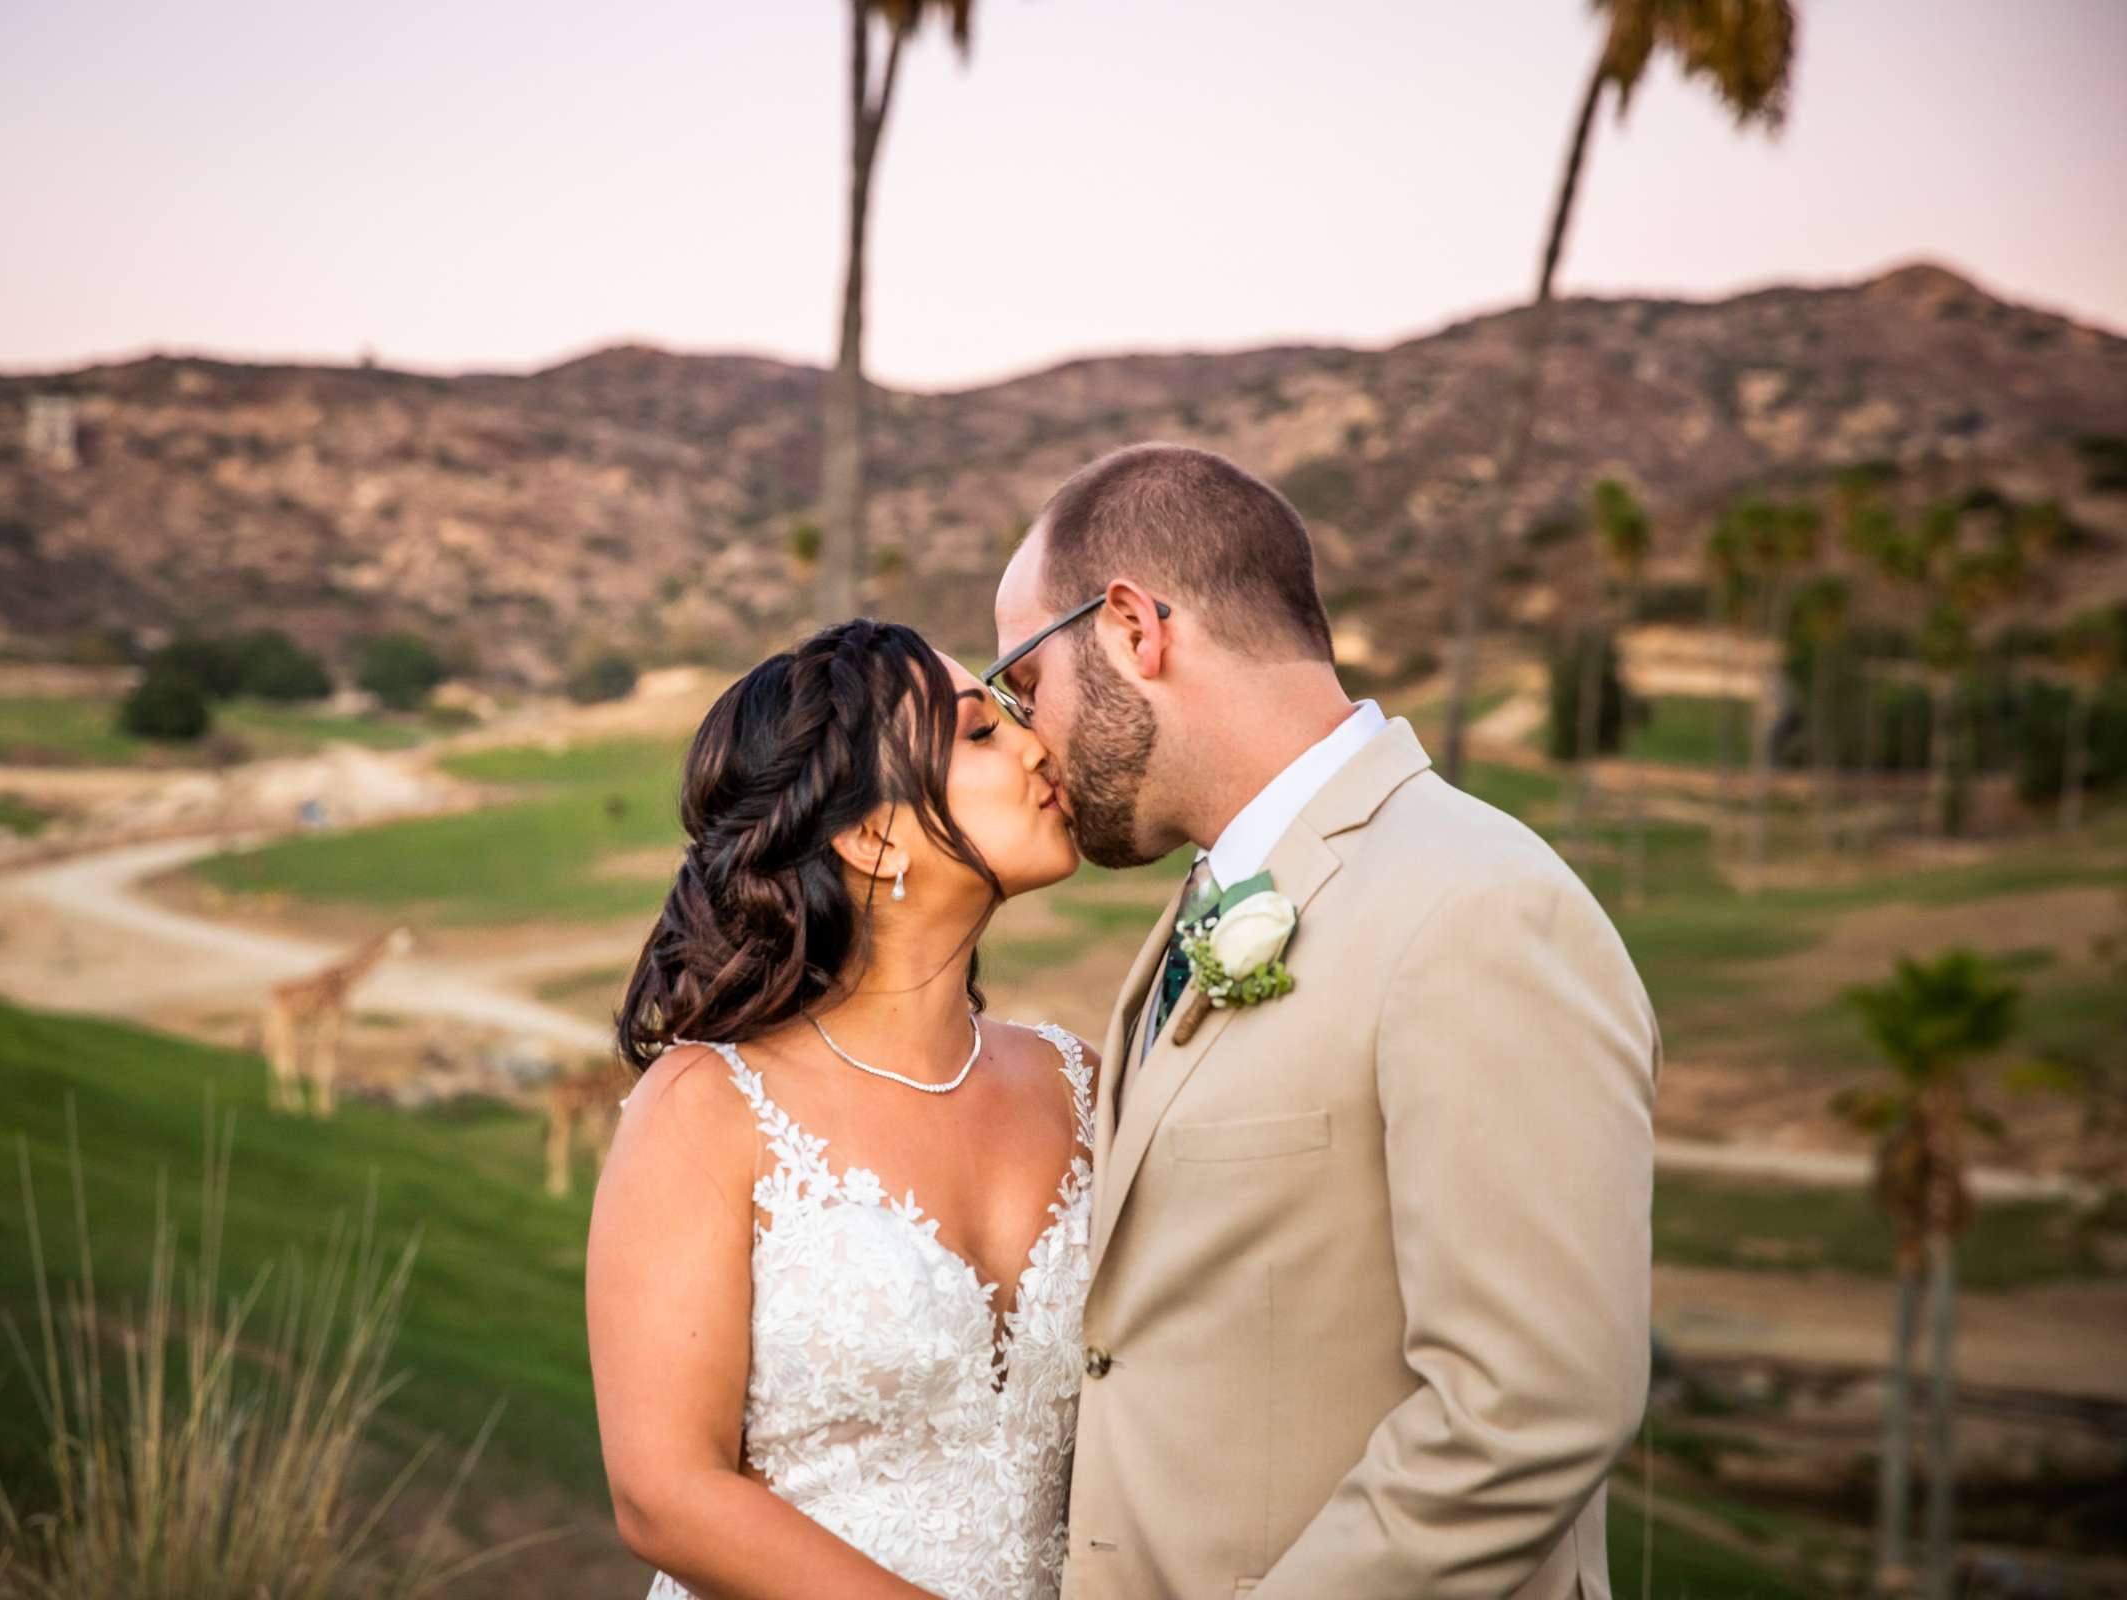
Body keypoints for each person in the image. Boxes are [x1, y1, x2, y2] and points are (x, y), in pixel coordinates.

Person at [987, 442, 1659, 1599]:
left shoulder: (1476, 906)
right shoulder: (1205, 910)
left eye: (1024, 682)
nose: (1029, 733)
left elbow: (1529, 1407)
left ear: (1134, 629)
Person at [587, 618, 1097, 1599]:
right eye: (983, 732)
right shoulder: (707, 1108)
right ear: (873, 834)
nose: (1039, 746)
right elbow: (664, 1491)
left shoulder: (1081, 1082)